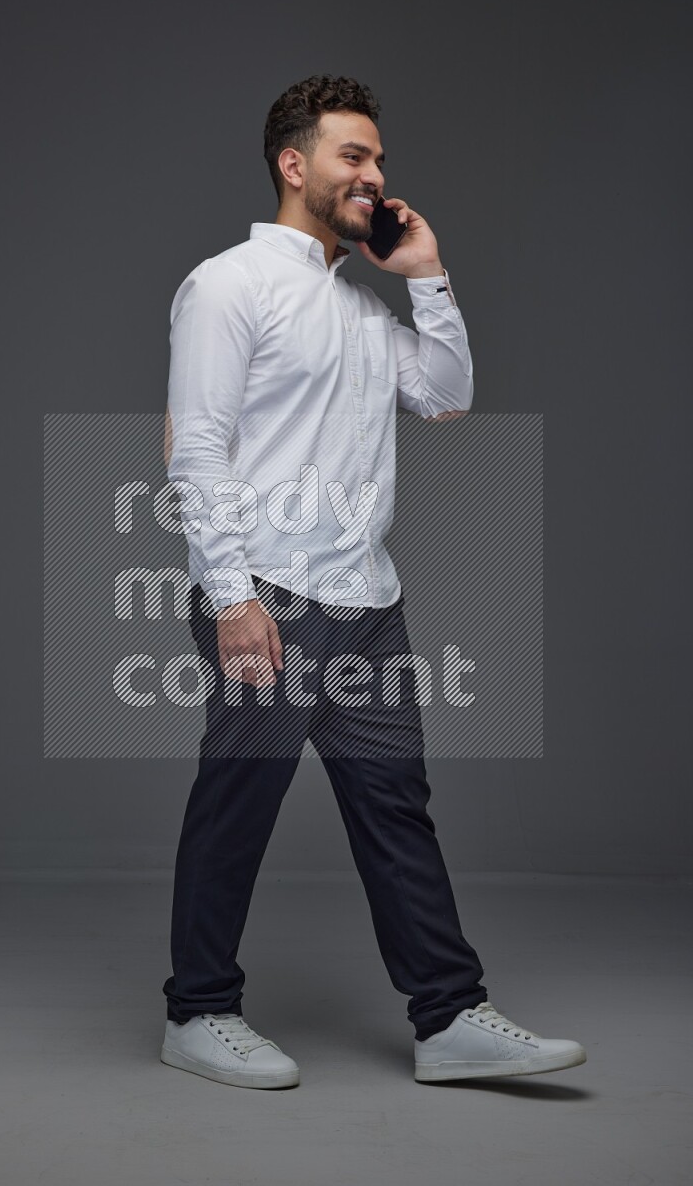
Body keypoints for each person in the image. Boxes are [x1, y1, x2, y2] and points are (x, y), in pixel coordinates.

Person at [160, 74, 586, 1089]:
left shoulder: (359, 308)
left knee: (396, 806)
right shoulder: (227, 285)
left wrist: (427, 274)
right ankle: (197, 1010)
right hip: (269, 591)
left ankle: (446, 1017)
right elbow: (198, 447)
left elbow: (443, 395)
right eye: (355, 157)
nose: (375, 176)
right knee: (239, 802)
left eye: (380, 161)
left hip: (366, 604)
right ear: (292, 163)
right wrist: (229, 594)